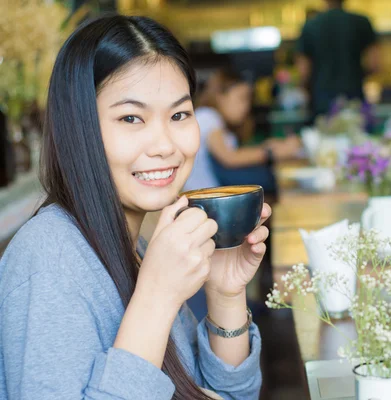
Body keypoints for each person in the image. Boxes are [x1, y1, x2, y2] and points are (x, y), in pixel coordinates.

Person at [0, 15, 268, 400]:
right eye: (130, 118)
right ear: (81, 127)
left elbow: (232, 395)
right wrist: (157, 296)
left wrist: (225, 294)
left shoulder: (137, 246)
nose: (164, 145)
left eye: (179, 115)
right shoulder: (48, 261)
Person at [184, 68, 300, 192]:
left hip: (213, 193)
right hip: (203, 196)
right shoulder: (207, 116)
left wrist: (268, 147)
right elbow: (229, 157)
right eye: (241, 98)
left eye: (248, 99)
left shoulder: (218, 121)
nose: (246, 106)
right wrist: (270, 153)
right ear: (220, 96)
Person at [295, 0, 380, 117]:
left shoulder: (310, 26)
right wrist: (356, 74)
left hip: (322, 102)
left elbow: (304, 72)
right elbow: (374, 64)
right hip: (354, 98)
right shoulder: (362, 22)